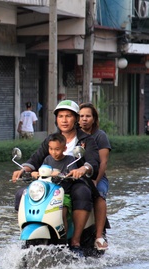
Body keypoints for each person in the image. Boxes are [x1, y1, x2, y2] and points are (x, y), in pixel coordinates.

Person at [12, 100, 99, 255]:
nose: (64, 120)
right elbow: (36, 159)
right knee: (22, 194)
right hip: (50, 183)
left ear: (76, 119)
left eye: (68, 116)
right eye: (60, 116)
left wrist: (83, 169)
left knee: (82, 193)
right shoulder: (51, 139)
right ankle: (28, 235)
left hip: (74, 181)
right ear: (56, 119)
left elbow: (93, 162)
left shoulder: (86, 140)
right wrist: (23, 169)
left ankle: (75, 240)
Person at [30, 132, 78, 235]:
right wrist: (36, 173)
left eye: (57, 149)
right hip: (47, 193)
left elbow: (72, 174)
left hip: (62, 194)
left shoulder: (70, 160)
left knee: (62, 213)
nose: (53, 152)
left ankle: (63, 236)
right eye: (50, 149)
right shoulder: (47, 159)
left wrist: (61, 174)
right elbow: (42, 171)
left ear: (64, 149)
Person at [79, 102, 111, 251]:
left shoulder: (100, 135)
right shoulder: (73, 135)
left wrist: (95, 181)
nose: (84, 119)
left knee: (99, 196)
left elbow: (103, 162)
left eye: (88, 116)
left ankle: (98, 237)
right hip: (74, 176)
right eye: (81, 116)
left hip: (97, 176)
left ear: (94, 118)